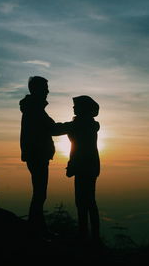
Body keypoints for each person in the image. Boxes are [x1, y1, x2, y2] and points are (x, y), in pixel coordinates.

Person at [19, 76, 63, 238]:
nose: (48, 91)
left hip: (34, 154)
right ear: (36, 89)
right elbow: (53, 129)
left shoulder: (33, 108)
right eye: (45, 88)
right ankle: (36, 227)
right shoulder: (35, 110)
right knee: (40, 192)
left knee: (39, 191)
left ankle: (36, 225)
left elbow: (50, 129)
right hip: (37, 155)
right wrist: (75, 126)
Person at [59, 95, 101, 243]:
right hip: (89, 165)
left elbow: (59, 129)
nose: (73, 108)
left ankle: (86, 235)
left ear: (83, 108)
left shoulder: (81, 124)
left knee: (84, 201)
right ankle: (90, 235)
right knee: (87, 201)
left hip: (84, 166)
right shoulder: (88, 124)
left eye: (76, 106)